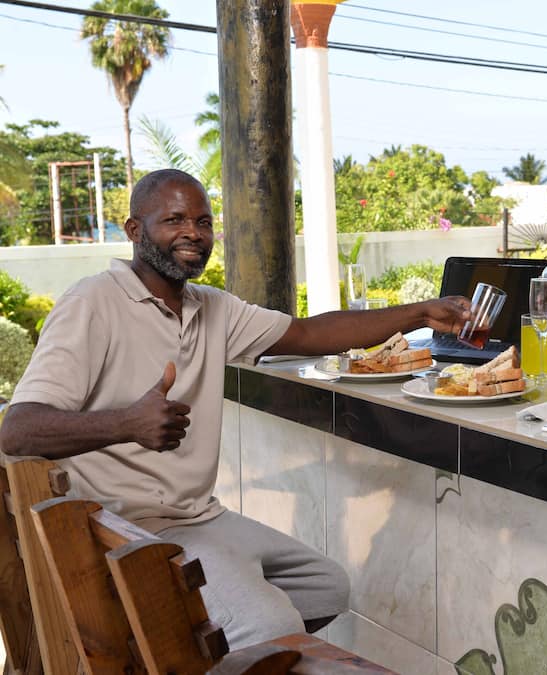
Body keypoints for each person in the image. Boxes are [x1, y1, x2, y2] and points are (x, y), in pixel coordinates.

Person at [0, 168, 471, 648]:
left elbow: (308, 334)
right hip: (123, 530)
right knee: (270, 626)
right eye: (175, 219)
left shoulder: (212, 308)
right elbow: (16, 430)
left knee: (325, 587)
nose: (193, 233)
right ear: (135, 230)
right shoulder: (92, 301)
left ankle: (193, 655)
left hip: (198, 517)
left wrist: (418, 312)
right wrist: (126, 424)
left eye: (204, 222)